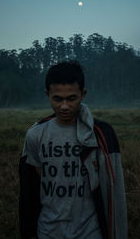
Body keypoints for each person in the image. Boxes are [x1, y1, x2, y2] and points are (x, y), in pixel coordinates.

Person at [19, 61, 128, 239]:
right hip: (48, 231)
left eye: (71, 98)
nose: (64, 106)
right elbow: (32, 187)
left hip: (90, 232)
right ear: (47, 94)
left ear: (82, 94)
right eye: (57, 99)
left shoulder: (101, 134)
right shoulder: (35, 135)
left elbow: (113, 192)